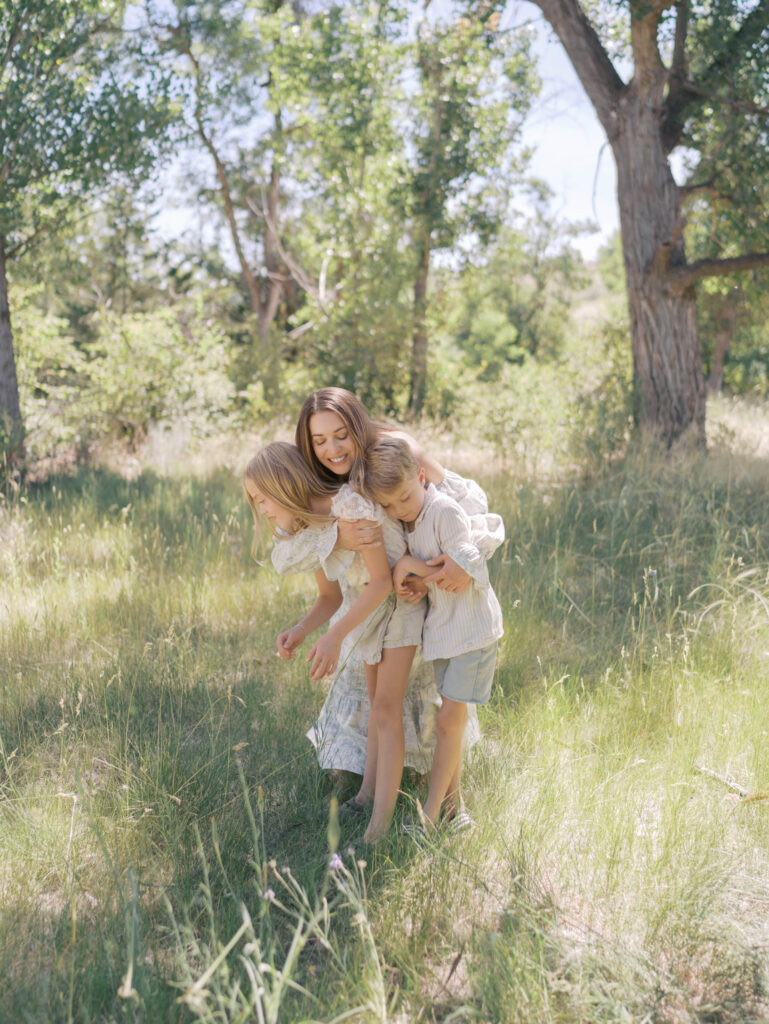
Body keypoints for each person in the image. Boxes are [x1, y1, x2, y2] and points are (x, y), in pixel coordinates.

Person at [244, 441, 437, 842]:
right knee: (374, 706)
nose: (261, 508)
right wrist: (302, 629)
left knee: (386, 709)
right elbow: (329, 597)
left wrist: (335, 635)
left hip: (397, 604)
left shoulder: (349, 506)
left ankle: (379, 826)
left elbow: (382, 583)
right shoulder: (311, 528)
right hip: (368, 612)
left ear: (283, 484)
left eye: (262, 498)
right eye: (254, 501)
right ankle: (368, 793)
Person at [357, 436, 503, 830]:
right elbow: (434, 577)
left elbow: (462, 573)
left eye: (404, 498)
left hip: (472, 632)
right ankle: (457, 811)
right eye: (388, 506)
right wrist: (416, 578)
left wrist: (410, 566)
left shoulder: (445, 512)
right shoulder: (413, 522)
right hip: (444, 634)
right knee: (448, 722)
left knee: (448, 722)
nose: (398, 510)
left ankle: (430, 818)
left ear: (422, 476)